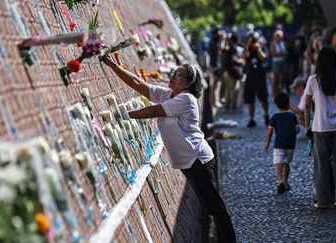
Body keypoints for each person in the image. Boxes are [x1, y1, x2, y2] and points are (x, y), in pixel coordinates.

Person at [102, 55, 236, 242]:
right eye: (174, 72)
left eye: (179, 74)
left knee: (214, 206)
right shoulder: (168, 94)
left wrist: (121, 115)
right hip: (188, 162)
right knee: (209, 205)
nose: (173, 75)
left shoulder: (187, 100)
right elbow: (138, 84)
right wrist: (112, 66)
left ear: (189, 83)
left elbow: (153, 111)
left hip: (198, 159)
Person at [304, 47, 336, 209]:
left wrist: (306, 127)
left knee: (321, 164)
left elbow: (306, 105)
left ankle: (323, 200)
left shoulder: (313, 80)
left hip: (320, 126)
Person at [264, 92, 299, 193]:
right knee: (287, 163)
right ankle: (286, 181)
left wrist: (267, 143)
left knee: (278, 162)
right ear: (288, 103)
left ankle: (280, 180)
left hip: (279, 144)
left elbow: (270, 132)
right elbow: (297, 130)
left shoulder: (274, 117)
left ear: (276, 104)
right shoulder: (292, 116)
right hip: (290, 145)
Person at [243, 32, 269, 127]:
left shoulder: (262, 47)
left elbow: (264, 58)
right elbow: (244, 57)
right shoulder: (248, 48)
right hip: (250, 76)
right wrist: (248, 46)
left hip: (260, 76)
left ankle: (266, 115)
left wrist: (258, 49)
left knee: (263, 98)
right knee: (250, 99)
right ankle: (251, 119)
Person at [270, 30, 288, 95]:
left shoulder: (283, 43)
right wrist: (283, 53)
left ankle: (281, 92)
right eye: (277, 36)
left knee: (282, 78)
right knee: (275, 79)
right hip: (276, 62)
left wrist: (281, 53)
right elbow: (273, 54)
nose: (279, 37)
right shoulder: (273, 43)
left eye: (280, 36)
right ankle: (274, 93)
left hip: (283, 62)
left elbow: (286, 52)